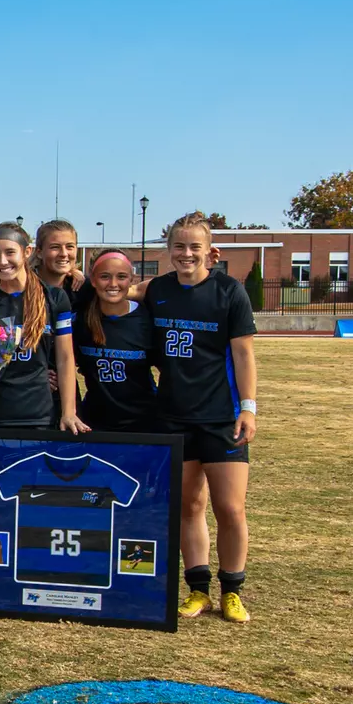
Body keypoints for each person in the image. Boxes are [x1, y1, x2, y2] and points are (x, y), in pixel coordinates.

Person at [151, 211, 258, 623]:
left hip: (221, 417)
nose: (186, 254)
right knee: (189, 505)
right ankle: (198, 591)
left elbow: (244, 354)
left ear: (210, 251)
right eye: (179, 246)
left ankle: (232, 590)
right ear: (169, 251)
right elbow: (122, 293)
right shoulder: (158, 289)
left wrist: (248, 407)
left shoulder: (230, 291)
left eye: (195, 246)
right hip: (174, 416)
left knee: (230, 508)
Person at [0, 222, 85, 433]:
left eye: (10, 252)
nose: (3, 261)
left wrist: (69, 412)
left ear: (27, 252)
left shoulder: (54, 297)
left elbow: (65, 358)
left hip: (40, 415)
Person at [72, 250, 157, 433]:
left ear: (131, 279)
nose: (113, 284)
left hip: (144, 424)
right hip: (94, 425)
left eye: (121, 277)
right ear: (93, 280)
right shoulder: (81, 320)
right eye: (104, 277)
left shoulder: (147, 319)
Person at [35, 219, 84, 294]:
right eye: (55, 247)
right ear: (39, 252)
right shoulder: (23, 285)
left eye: (69, 246)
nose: (64, 254)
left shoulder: (85, 289)